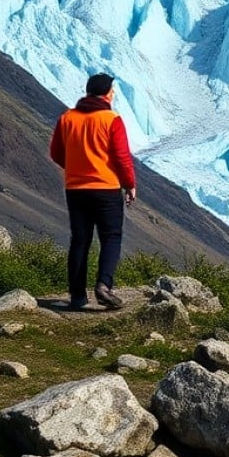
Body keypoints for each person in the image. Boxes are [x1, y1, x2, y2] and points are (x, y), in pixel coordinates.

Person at [49, 73, 137, 310]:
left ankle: (77, 295)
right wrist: (129, 184)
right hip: (106, 188)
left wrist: (77, 167)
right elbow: (121, 157)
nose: (114, 94)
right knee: (111, 237)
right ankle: (104, 286)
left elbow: (56, 152)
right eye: (113, 91)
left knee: (80, 240)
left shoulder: (68, 118)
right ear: (108, 93)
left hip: (76, 189)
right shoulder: (111, 119)